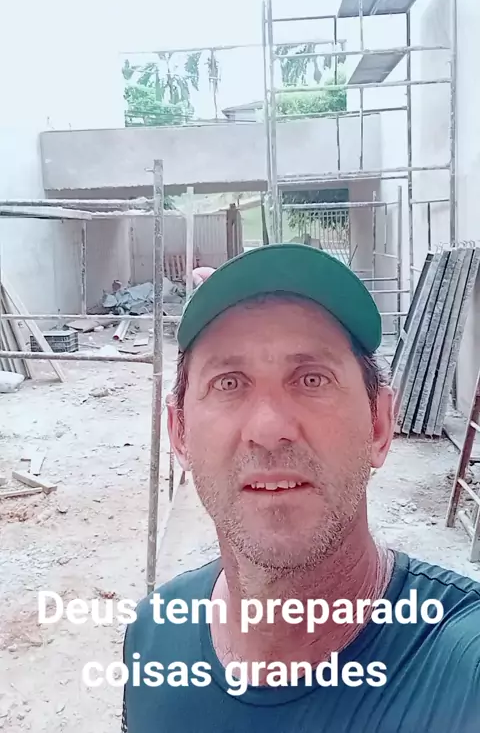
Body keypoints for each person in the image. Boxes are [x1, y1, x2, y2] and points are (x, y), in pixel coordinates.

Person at [121, 243, 480, 732]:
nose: (269, 429)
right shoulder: (152, 637)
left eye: (312, 379)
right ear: (179, 434)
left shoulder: (460, 670)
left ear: (378, 425)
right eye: (229, 382)